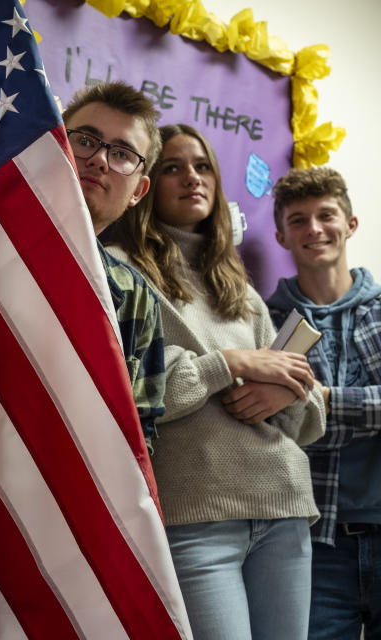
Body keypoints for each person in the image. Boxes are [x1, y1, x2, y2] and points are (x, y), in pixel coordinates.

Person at [107, 123, 325, 640]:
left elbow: (311, 406)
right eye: (173, 167)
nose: (192, 177)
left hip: (284, 503)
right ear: (145, 185)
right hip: (195, 514)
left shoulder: (237, 285)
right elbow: (138, 391)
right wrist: (231, 363)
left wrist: (281, 387)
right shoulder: (118, 269)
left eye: (202, 166)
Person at [266, 167, 381, 639]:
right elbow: (277, 423)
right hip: (314, 540)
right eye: (299, 220)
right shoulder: (266, 321)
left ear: (350, 224)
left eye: (326, 215)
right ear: (280, 235)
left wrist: (325, 400)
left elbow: (304, 410)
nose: (314, 229)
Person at [62, 82, 166, 449]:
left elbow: (138, 436)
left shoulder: (139, 300)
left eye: (122, 154)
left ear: (138, 191)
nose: (99, 160)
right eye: (85, 141)